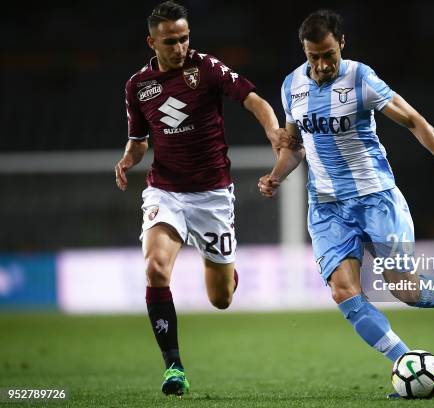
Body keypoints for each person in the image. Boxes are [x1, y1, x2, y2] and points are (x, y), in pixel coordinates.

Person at [258, 9, 434, 396]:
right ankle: (405, 362)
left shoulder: (361, 78)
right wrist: (276, 175)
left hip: (375, 198)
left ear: (342, 44)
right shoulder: (291, 87)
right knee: (344, 291)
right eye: (313, 57)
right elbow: (295, 148)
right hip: (326, 207)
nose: (321, 65)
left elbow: (415, 121)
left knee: (405, 289)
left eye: (328, 55)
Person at [115, 1, 286, 397]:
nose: (179, 47)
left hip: (212, 196)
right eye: (170, 41)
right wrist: (128, 158)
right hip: (166, 191)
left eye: (184, 38)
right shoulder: (137, 86)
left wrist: (274, 133)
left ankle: (227, 274)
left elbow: (254, 101)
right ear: (152, 41)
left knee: (221, 299)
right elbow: (139, 142)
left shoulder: (206, 68)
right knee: (156, 268)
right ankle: (174, 367)